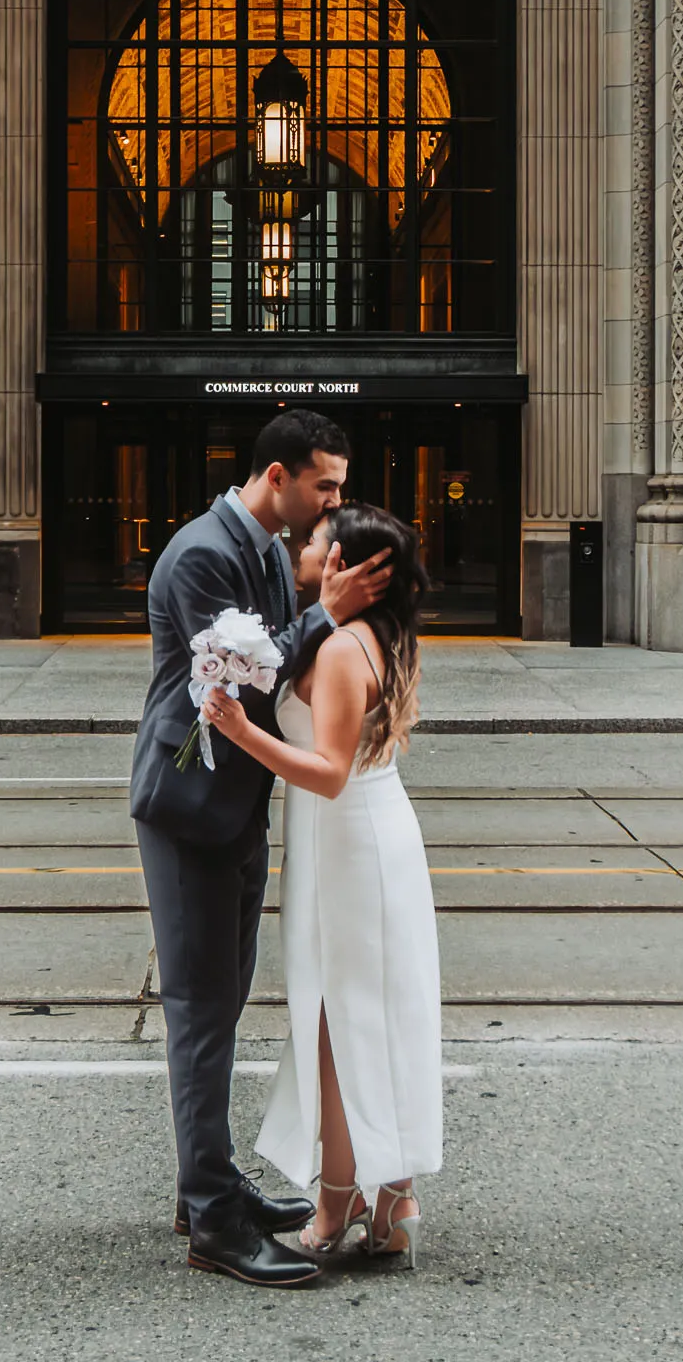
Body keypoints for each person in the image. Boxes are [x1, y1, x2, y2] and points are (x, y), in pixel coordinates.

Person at [129, 410, 392, 1288]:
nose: (332, 503)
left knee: (224, 1001)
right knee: (202, 1012)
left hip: (235, 808)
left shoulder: (268, 552)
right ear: (276, 477)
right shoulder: (204, 552)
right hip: (190, 807)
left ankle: (207, 1185)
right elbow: (240, 675)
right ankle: (212, 1222)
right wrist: (324, 615)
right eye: (324, 485)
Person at [203, 502, 442, 1269]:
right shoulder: (365, 635)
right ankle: (385, 1197)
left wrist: (245, 734)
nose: (303, 545)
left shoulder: (342, 651)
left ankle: (348, 1197)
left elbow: (331, 775)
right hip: (349, 841)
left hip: (351, 842)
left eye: (315, 540)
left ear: (343, 563)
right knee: (352, 1019)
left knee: (343, 1023)